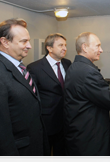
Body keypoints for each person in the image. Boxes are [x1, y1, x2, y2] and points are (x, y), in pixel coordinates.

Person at [0, 18, 50, 162]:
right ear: (5, 42)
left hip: (33, 149)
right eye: (23, 41)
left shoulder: (21, 68)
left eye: (28, 41)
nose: (29, 46)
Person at [64, 32, 110, 162]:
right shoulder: (87, 71)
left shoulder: (75, 66)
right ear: (85, 47)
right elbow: (109, 99)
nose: (101, 50)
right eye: (98, 46)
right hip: (90, 135)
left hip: (80, 131)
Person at [27, 33, 71, 162]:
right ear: (49, 48)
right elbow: (32, 97)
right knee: (45, 155)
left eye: (65, 45)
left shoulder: (68, 63)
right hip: (47, 122)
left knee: (62, 153)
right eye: (61, 45)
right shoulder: (35, 68)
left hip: (66, 119)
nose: (65, 48)